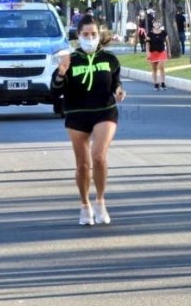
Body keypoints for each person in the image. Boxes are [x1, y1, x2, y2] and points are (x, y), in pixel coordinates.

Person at [51, 14, 126, 226]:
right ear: (78, 35)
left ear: (99, 34)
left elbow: (115, 84)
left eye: (93, 34)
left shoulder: (109, 59)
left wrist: (119, 90)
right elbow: (55, 92)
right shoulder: (70, 60)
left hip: (105, 111)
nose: (90, 37)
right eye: (86, 34)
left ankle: (101, 200)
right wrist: (61, 73)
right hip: (77, 113)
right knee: (83, 165)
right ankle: (85, 205)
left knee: (99, 156)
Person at [146, 19, 171, 90]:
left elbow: (167, 43)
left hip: (162, 51)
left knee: (161, 66)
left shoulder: (163, 33)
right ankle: (156, 83)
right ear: (153, 24)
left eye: (158, 23)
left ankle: (162, 83)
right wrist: (147, 52)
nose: (156, 24)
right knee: (154, 69)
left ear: (160, 24)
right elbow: (147, 43)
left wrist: (169, 52)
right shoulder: (150, 34)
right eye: (155, 23)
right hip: (153, 52)